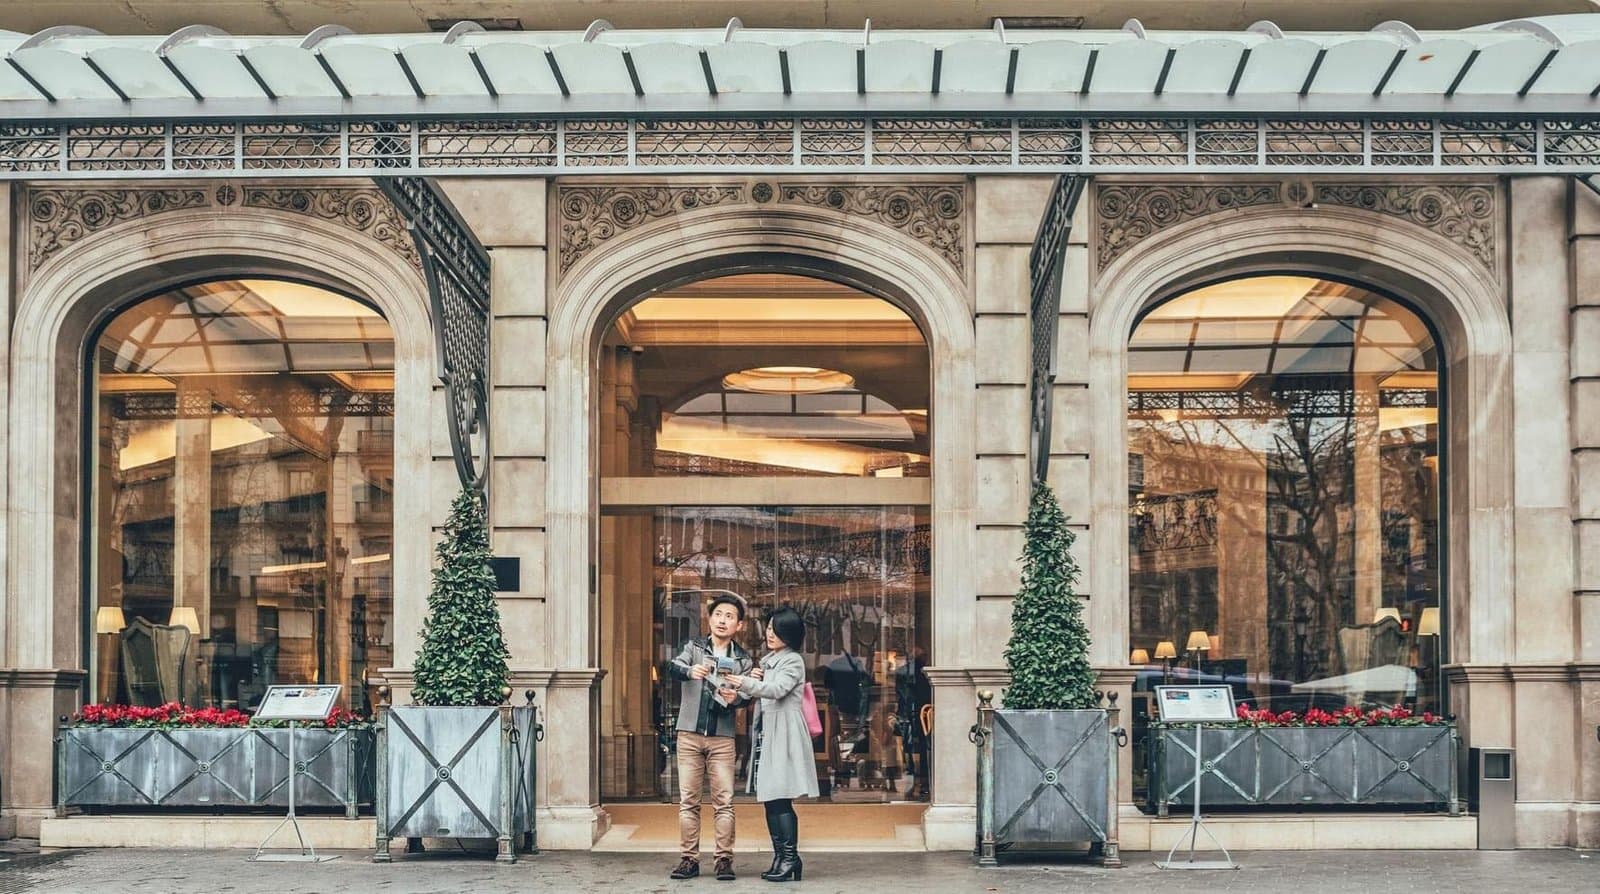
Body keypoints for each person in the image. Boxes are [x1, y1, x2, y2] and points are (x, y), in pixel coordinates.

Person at [724, 607, 818, 883]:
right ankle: (782, 857)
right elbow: (762, 691)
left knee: (780, 798)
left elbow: (777, 691)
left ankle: (789, 858)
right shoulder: (769, 661)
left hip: (785, 734)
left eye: (776, 629)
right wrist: (747, 685)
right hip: (769, 734)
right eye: (768, 628)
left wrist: (746, 682)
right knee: (771, 799)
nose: (770, 634)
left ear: (789, 633)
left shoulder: (793, 661)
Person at [665, 593, 754, 881]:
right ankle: (688, 859)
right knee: (688, 801)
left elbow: (747, 696)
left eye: (729, 616)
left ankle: (724, 860)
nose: (722, 620)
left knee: (724, 802)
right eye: (718, 614)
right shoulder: (693, 647)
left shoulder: (743, 660)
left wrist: (735, 698)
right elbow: (672, 667)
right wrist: (691, 670)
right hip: (689, 735)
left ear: (739, 625)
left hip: (722, 738)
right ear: (710, 618)